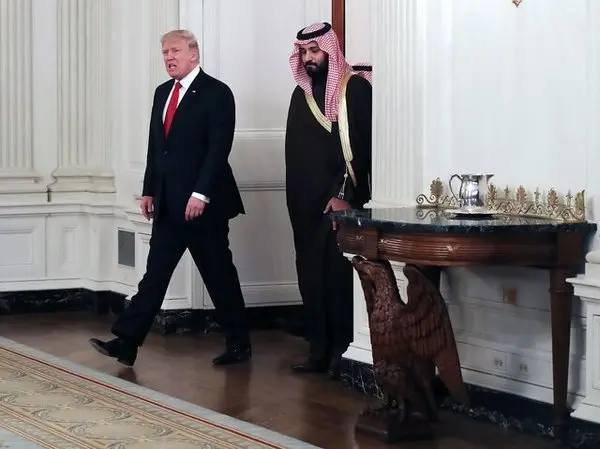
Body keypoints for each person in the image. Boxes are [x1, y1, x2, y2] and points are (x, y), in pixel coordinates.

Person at [89, 29, 251, 367]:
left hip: (203, 207)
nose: (169, 57)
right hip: (167, 203)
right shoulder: (163, 92)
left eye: (175, 51)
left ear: (194, 54)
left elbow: (218, 150)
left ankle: (239, 343)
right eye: (164, 52)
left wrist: (200, 194)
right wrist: (149, 189)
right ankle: (127, 342)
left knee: (219, 275)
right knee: (155, 275)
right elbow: (156, 148)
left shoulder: (217, 93)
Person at [284, 22, 372, 378]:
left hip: (337, 206)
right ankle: (318, 351)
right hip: (304, 208)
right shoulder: (300, 95)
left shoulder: (354, 90)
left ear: (329, 51)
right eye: (304, 52)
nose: (309, 58)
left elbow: (361, 150)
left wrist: (345, 198)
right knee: (311, 277)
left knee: (337, 280)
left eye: (315, 51)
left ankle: (342, 351)